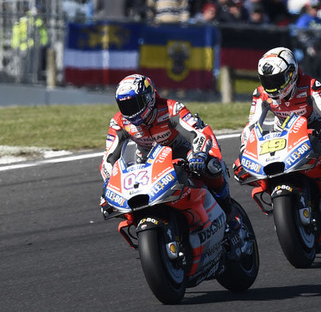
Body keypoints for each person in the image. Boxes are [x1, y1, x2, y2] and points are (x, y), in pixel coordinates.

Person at [99, 74, 235, 217]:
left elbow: (197, 134)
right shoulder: (118, 122)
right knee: (116, 202)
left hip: (181, 152)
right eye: (124, 105)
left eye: (134, 104)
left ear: (148, 98)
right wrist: (109, 180)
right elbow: (109, 157)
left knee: (211, 166)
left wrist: (199, 155)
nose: (130, 110)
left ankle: (228, 211)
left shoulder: (172, 109)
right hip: (146, 162)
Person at [238, 46, 321, 193]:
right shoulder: (260, 94)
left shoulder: (311, 85)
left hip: (313, 127)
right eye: (267, 81)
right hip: (283, 133)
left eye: (276, 80)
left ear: (291, 74)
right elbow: (252, 125)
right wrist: (245, 146)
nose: (271, 87)